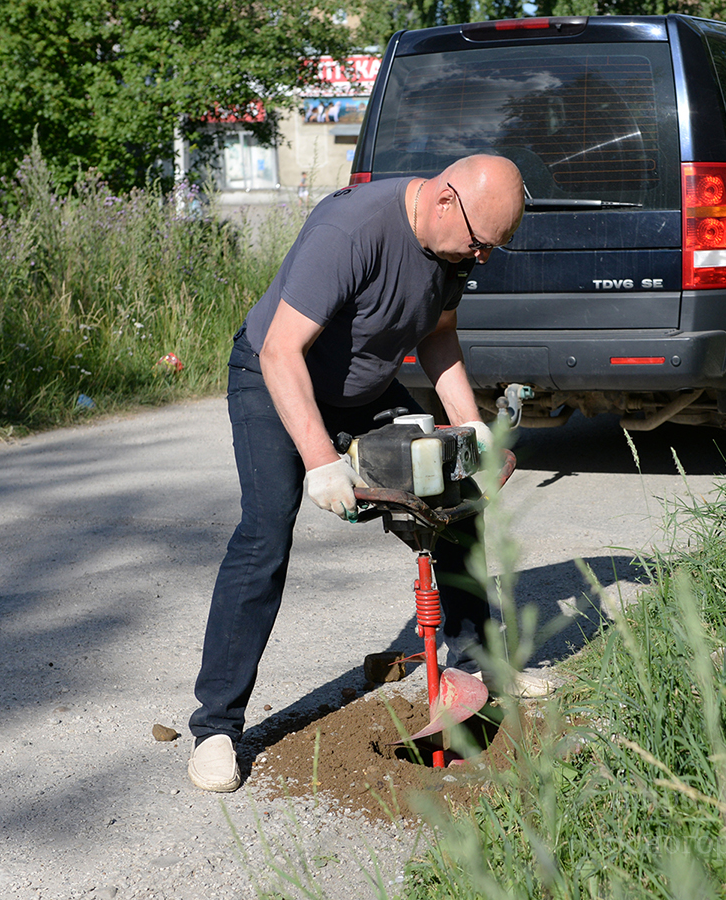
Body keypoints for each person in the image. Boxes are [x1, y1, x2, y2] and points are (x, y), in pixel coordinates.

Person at [187, 154, 526, 793]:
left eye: (492, 250)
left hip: (363, 388)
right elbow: (280, 350)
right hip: (275, 380)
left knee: (450, 500)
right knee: (263, 537)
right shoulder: (351, 230)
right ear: (447, 199)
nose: (481, 259)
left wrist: (465, 423)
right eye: (481, 244)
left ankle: (473, 671)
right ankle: (216, 728)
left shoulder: (452, 249)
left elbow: (439, 332)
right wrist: (320, 460)